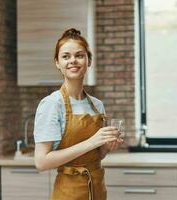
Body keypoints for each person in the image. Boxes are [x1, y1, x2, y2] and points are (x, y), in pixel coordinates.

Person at [33, 28, 123, 200]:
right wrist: (92, 142)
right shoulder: (52, 104)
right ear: (57, 63)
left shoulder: (97, 105)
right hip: (68, 193)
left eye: (79, 55)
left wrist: (105, 146)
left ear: (89, 61)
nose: (73, 61)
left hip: (97, 190)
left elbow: (97, 154)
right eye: (66, 56)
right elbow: (41, 162)